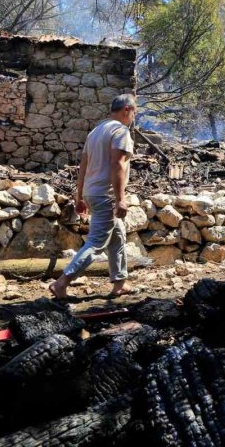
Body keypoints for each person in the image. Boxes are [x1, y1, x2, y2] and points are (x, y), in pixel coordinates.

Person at [50, 94, 137, 299]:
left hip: (92, 192)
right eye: (134, 112)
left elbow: (83, 167)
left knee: (117, 236)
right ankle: (62, 283)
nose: (134, 117)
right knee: (97, 242)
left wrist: (80, 196)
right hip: (106, 194)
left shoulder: (96, 132)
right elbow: (118, 165)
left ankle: (119, 283)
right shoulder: (120, 131)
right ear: (126, 109)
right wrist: (120, 199)